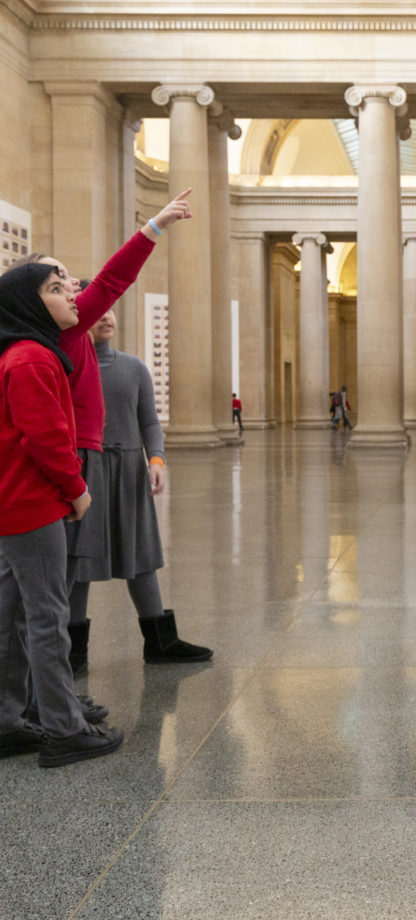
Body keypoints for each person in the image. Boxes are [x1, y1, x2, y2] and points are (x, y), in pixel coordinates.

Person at [12, 189, 195, 673]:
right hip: (75, 464)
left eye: (70, 280)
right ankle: (56, 684)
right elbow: (113, 279)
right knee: (66, 574)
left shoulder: (73, 342)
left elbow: (146, 419)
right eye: (58, 281)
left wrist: (152, 459)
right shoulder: (54, 338)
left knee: (89, 566)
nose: (73, 288)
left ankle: (57, 684)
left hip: (98, 461)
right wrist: (153, 227)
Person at [0, 263, 123, 766]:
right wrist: (76, 489)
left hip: (15, 502)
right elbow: (46, 437)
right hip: (32, 502)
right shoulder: (31, 358)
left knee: (10, 615)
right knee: (49, 617)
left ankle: (7, 721)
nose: (73, 294)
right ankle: (64, 730)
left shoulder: (21, 352)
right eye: (55, 289)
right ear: (30, 304)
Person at [71, 309, 212, 665]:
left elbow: (148, 420)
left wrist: (157, 460)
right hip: (85, 471)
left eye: (110, 309)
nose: (106, 317)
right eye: (96, 311)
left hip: (129, 471)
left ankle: (161, 643)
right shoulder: (68, 366)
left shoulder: (133, 367)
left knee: (141, 557)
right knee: (80, 560)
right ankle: (72, 652)